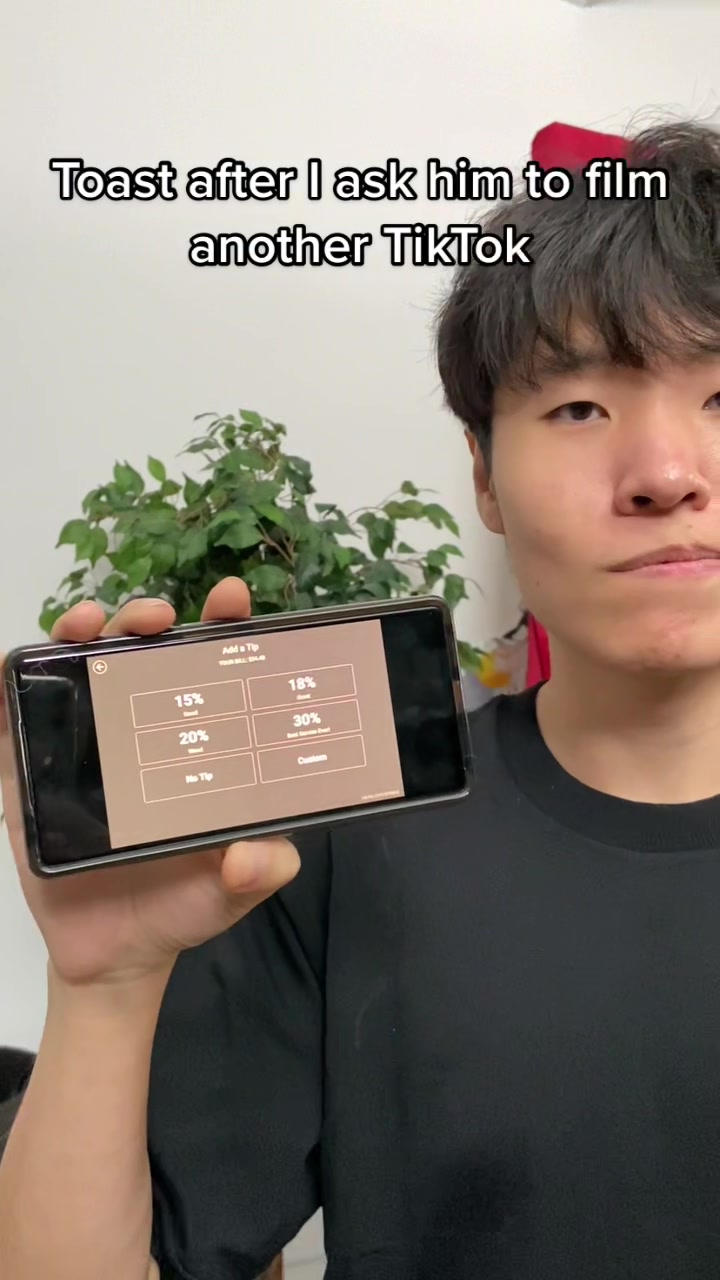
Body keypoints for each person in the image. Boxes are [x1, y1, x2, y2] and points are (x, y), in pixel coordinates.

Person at [3, 116, 720, 1280]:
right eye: (580, 407)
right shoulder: (349, 850)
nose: (666, 473)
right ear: (484, 476)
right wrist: (107, 991)